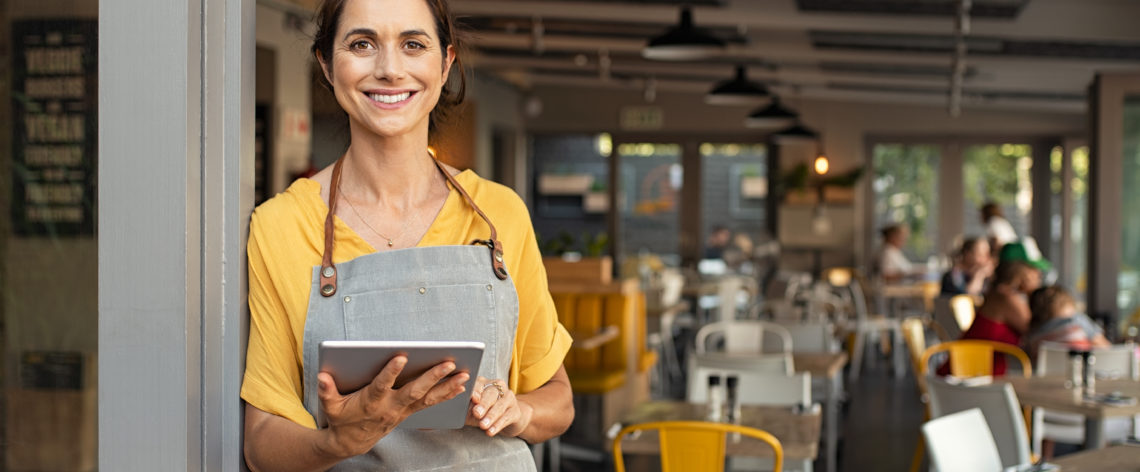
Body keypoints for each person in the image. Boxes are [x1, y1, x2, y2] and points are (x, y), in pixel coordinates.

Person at [240, 1, 573, 470]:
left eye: (413, 45)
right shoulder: (282, 225)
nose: (390, 69)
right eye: (361, 44)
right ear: (326, 65)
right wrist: (337, 442)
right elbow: (261, 442)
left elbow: (557, 400)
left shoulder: (499, 214)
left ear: (445, 64)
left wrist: (518, 412)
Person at [953, 260, 1041, 375]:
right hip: (969, 375)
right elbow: (1036, 330)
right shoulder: (1006, 298)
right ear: (1023, 275)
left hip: (975, 371)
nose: (1038, 279)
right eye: (1035, 274)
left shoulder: (998, 293)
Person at [1023, 285, 1110, 363]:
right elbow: (1105, 349)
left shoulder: (1032, 335)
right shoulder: (1077, 320)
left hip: (1046, 379)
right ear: (1067, 304)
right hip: (1082, 374)